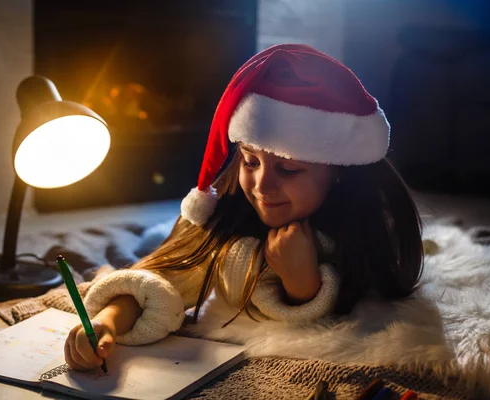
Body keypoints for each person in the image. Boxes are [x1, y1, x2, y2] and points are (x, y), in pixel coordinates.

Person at [63, 44, 423, 371]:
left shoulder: (362, 230)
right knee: (157, 242)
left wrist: (302, 284)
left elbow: (361, 303)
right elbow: (167, 276)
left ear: (338, 172)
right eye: (251, 162)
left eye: (288, 169)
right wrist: (108, 320)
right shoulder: (225, 217)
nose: (262, 186)